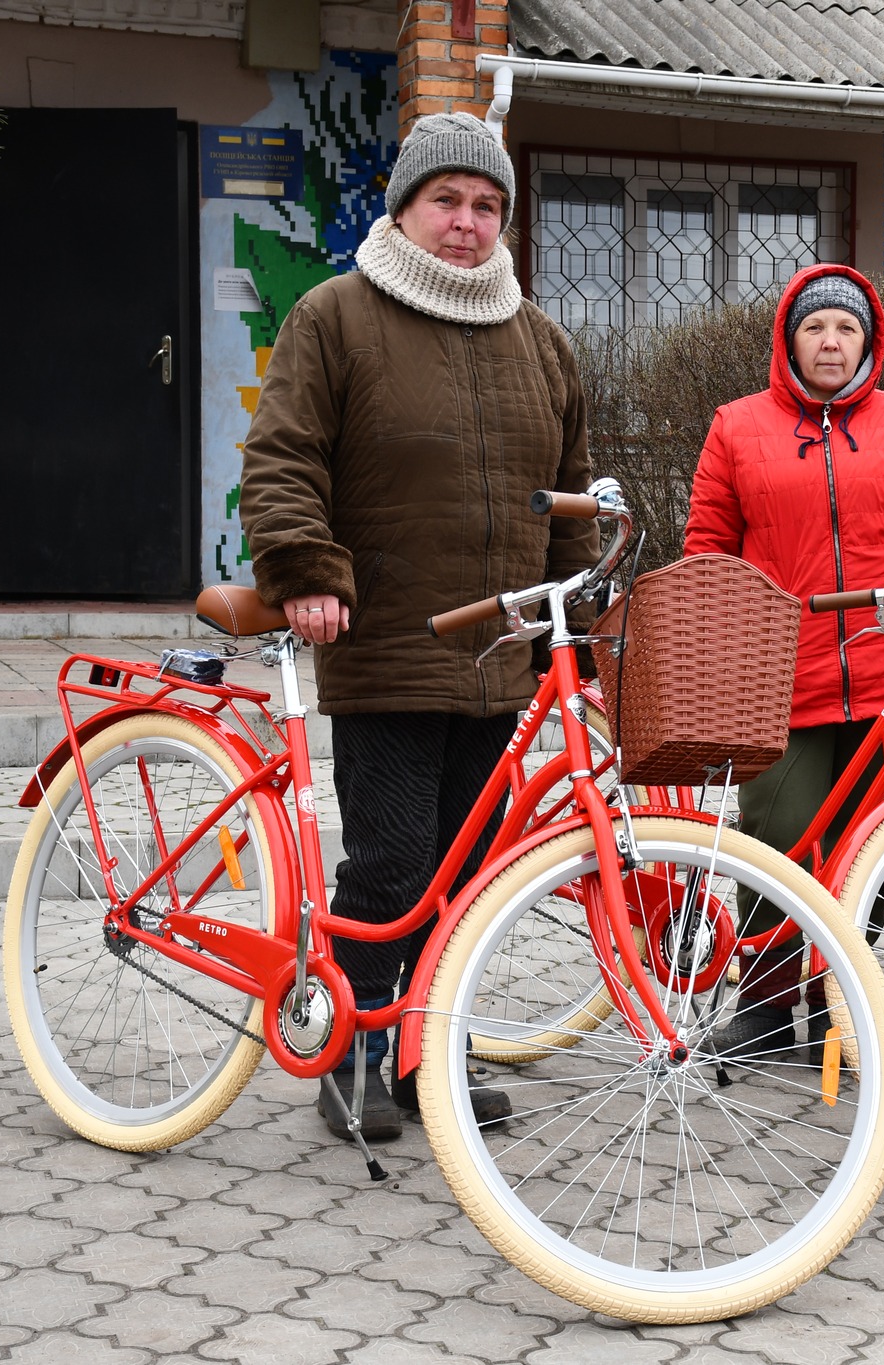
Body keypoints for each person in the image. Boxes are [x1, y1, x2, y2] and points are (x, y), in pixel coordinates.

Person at [239, 112, 596, 1141]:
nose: (466, 222)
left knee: (471, 866)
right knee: (394, 860)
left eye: (486, 206)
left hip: (501, 653)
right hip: (388, 638)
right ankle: (348, 1052)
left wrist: (580, 618)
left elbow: (566, 496)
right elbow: (284, 458)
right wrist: (307, 570)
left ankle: (428, 1049)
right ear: (403, 209)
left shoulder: (540, 339)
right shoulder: (335, 316)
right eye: (446, 199)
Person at [683, 264, 884, 1059]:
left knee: (864, 849)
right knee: (781, 838)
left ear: (868, 339)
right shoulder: (737, 425)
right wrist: (728, 639)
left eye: (846, 327)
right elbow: (708, 546)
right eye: (816, 327)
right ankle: (772, 1009)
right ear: (789, 339)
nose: (832, 341)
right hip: (785, 677)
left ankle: (839, 997)